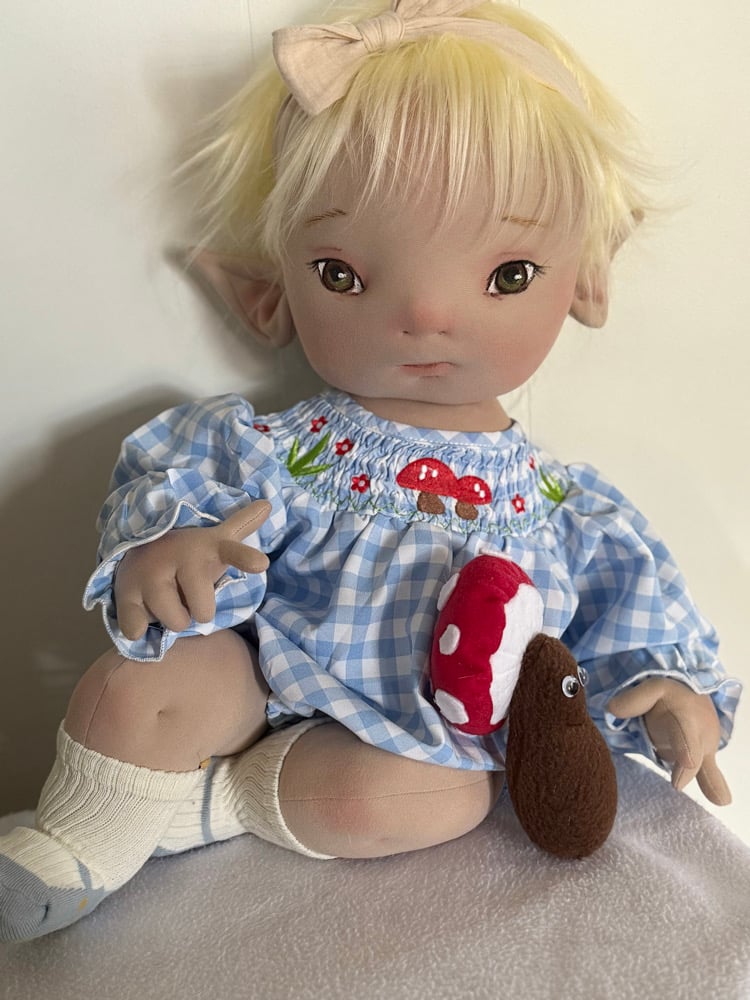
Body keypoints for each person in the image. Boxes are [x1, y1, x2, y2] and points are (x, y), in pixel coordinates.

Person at [0, 0, 741, 941]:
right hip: (252, 679)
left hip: (412, 748)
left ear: (585, 278)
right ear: (269, 290)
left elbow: (630, 617)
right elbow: (176, 484)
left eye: (508, 274)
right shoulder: (285, 449)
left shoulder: (568, 509)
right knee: (149, 683)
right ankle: (75, 843)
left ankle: (206, 810)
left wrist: (675, 692)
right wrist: (168, 549)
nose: (426, 314)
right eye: (343, 274)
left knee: (437, 798)